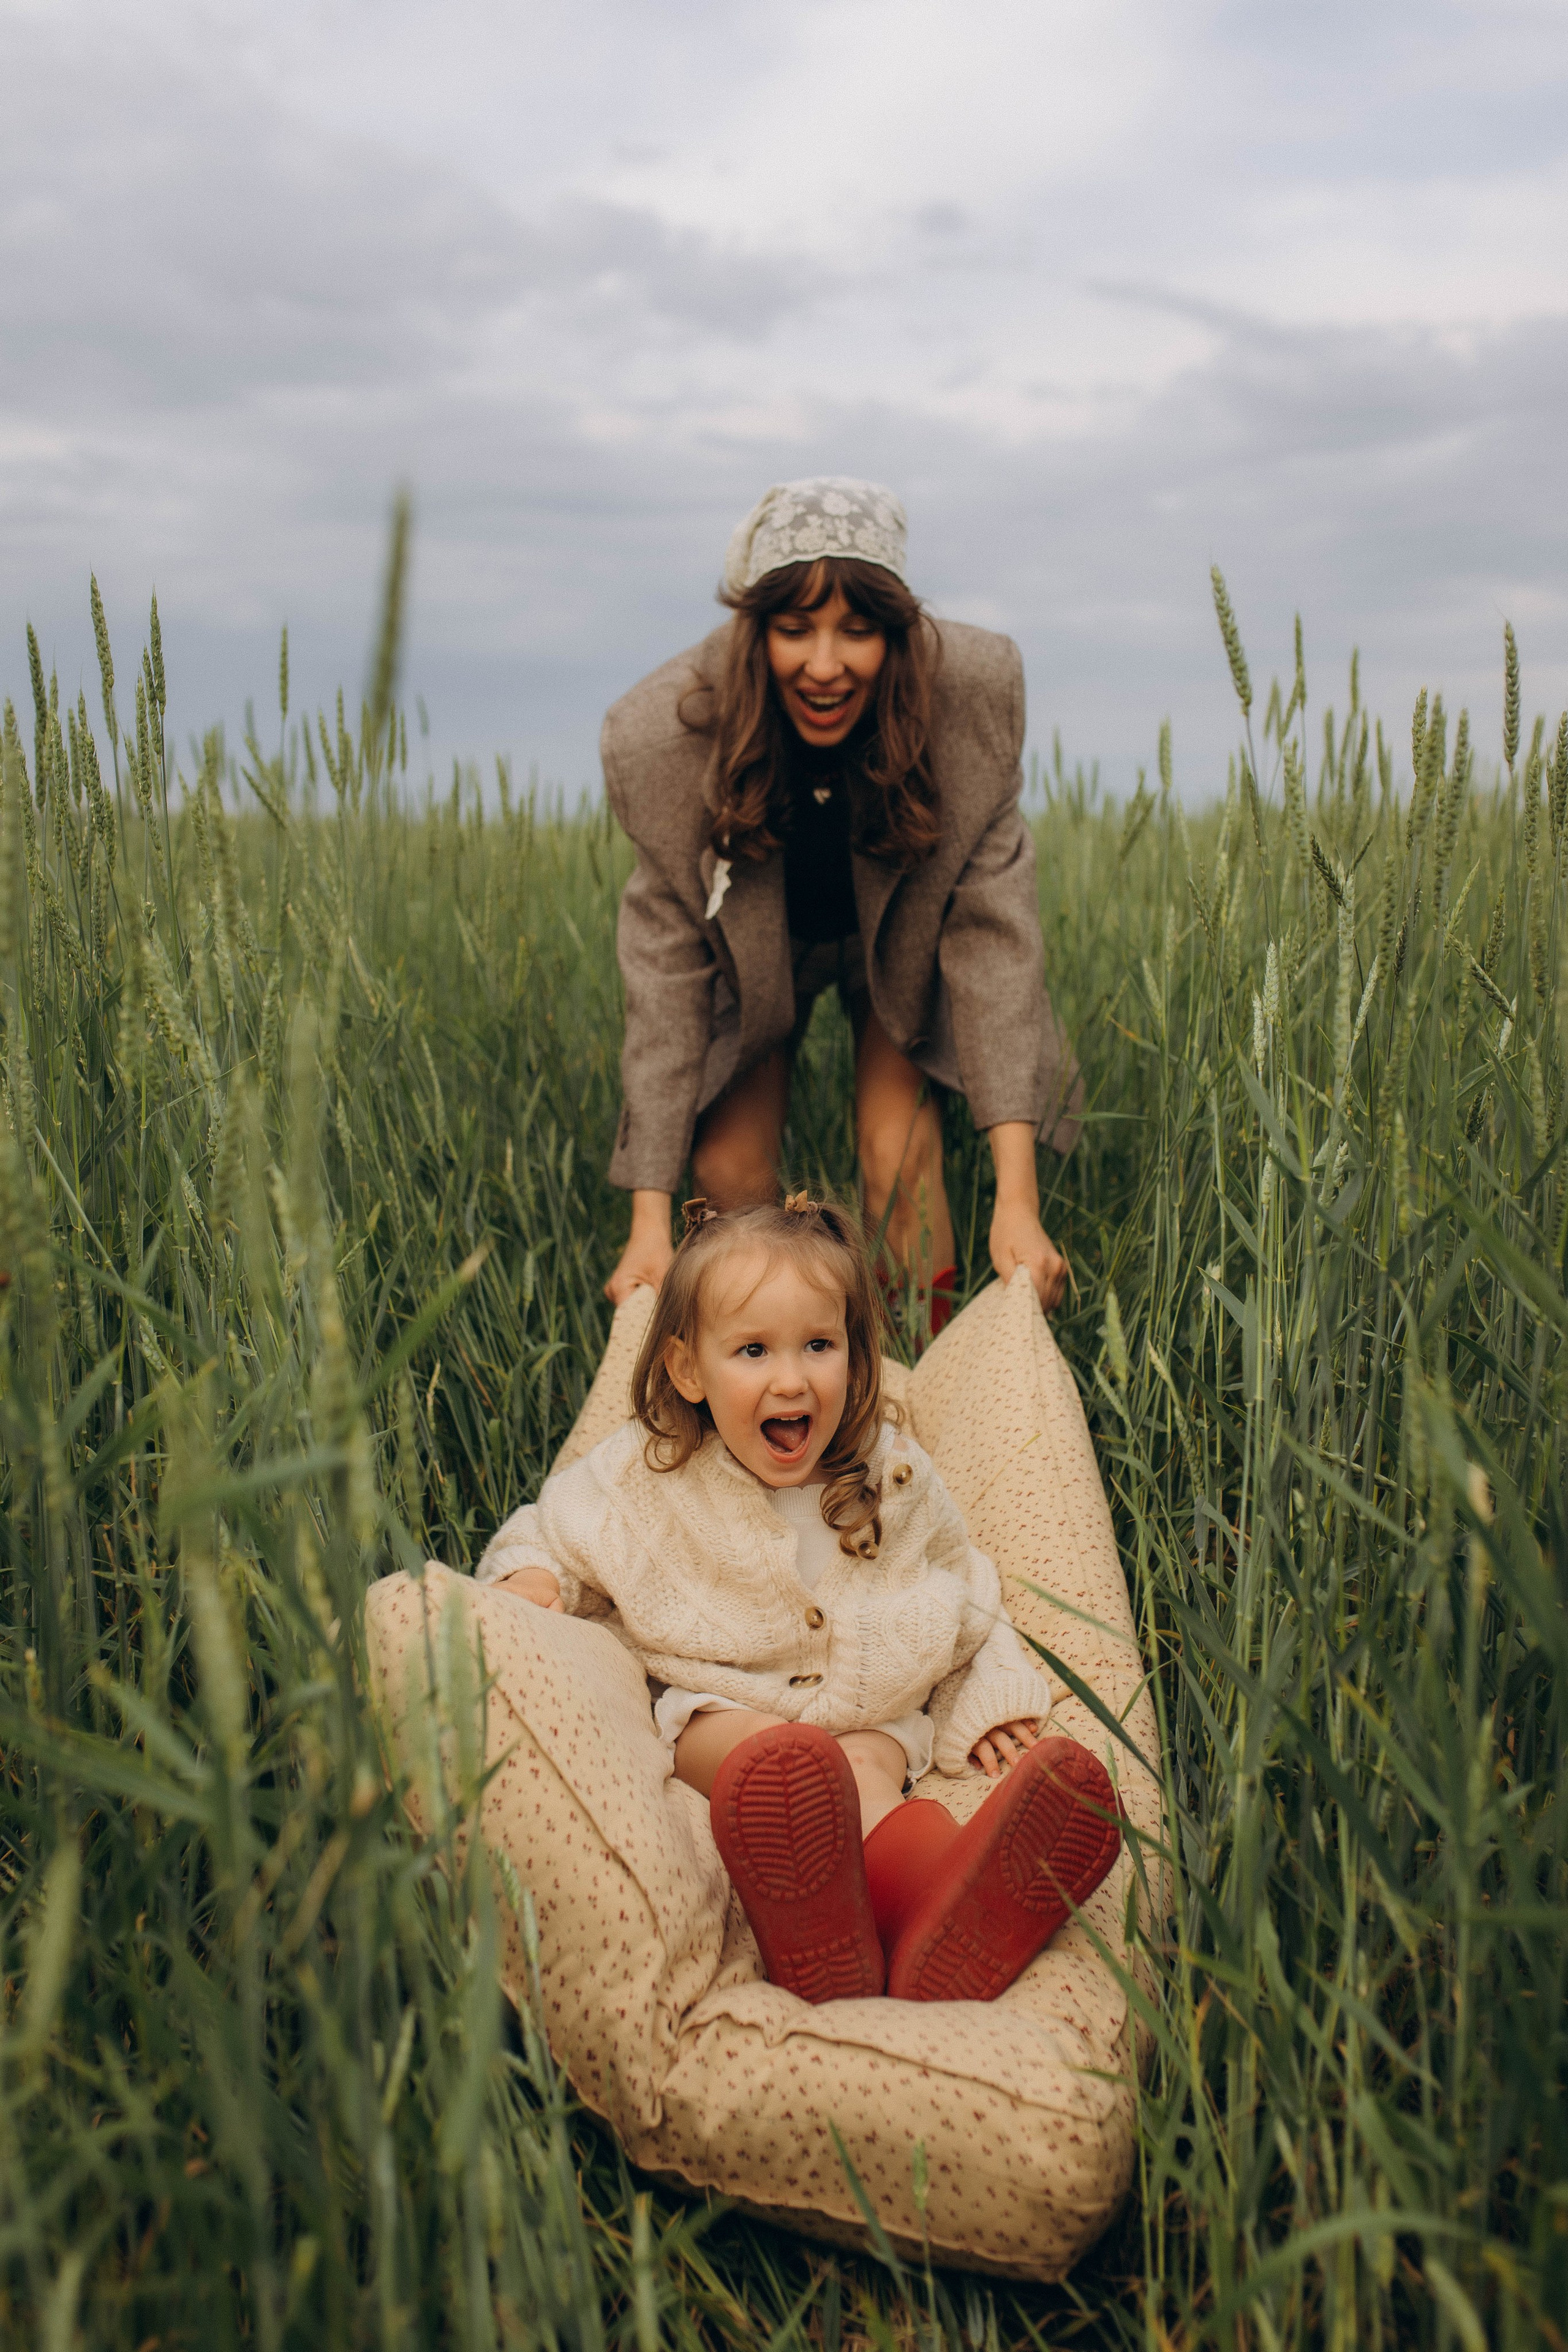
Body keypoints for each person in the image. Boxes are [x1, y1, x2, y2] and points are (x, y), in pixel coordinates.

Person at [478, 1195, 1120, 2005]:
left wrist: (987, 1695)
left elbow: (961, 1579)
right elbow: (554, 1530)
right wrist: (535, 1578)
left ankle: (938, 1911)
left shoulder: (890, 1469)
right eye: (752, 1350)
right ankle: (820, 1904)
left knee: (868, 1777)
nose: (791, 1378)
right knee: (753, 1752)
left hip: (863, 1718)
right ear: (687, 1369)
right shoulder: (650, 1470)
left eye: (818, 1345)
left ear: (855, 1359)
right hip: (724, 1706)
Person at [601, 476, 1084, 1331]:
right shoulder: (663, 742)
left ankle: (912, 1378)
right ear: (755, 633)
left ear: (897, 635)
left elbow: (996, 952)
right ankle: (779, 1390)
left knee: (900, 1160)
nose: (825, 666)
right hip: (752, 958)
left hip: (894, 938)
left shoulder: (971, 701)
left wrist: (1019, 1199)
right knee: (729, 1176)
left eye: (857, 631)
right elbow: (665, 986)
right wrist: (648, 1223)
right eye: (794, 631)